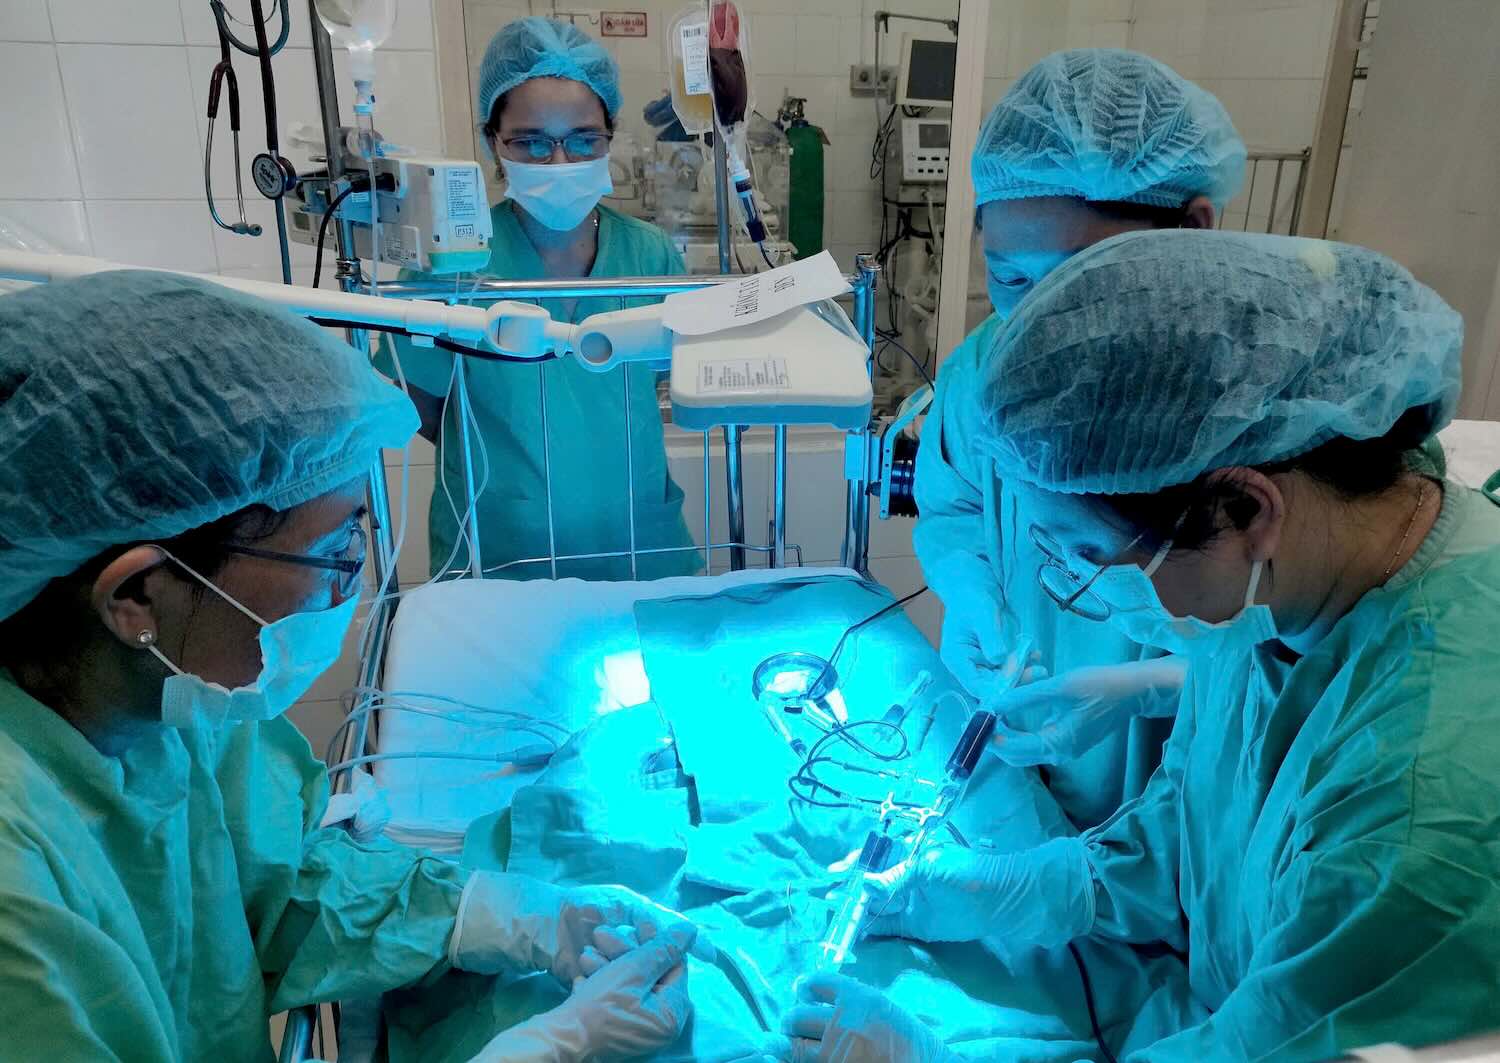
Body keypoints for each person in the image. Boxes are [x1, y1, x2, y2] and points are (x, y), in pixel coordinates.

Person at [788, 231, 1500, 1060]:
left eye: (1093, 561)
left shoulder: (1418, 808)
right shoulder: (1291, 584)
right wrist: (993, 890)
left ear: (1247, 509)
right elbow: (1185, 838)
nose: (1079, 589)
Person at [0, 270, 708, 1061]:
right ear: (136, 596)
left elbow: (280, 883)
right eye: (334, 549)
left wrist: (514, 917)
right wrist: (549, 1045)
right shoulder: (17, 895)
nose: (351, 581)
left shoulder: (165, 712)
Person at [912, 49, 1247, 830]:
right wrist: (973, 601)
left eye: (1078, 281)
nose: (1037, 326)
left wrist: (1176, 680)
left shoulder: (1258, 407)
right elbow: (956, 504)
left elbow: (1307, 661)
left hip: (1187, 806)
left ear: (1192, 232)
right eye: (1010, 279)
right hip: (1035, 780)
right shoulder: (983, 373)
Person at [376, 16, 697, 582]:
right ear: (492, 145)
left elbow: (649, 387)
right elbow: (420, 406)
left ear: (608, 137)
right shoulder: (452, 265)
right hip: (500, 554)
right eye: (530, 142)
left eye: (582, 141)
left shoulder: (647, 256)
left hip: (638, 544)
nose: (559, 163)